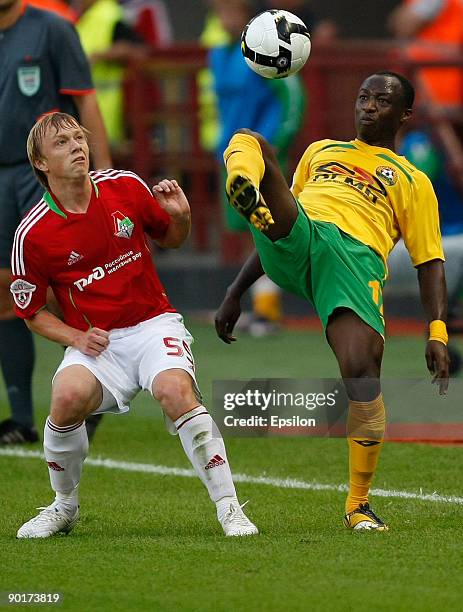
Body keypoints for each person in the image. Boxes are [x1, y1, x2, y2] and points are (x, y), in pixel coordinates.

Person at [215, 72, 450, 530]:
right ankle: (243, 182)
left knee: (362, 374)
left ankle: (358, 505)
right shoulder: (320, 151)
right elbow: (288, 208)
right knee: (250, 140)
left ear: (404, 114)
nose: (367, 106)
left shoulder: (412, 180)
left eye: (381, 101)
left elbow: (430, 262)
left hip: (353, 263)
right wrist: (234, 291)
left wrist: (436, 331)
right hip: (300, 233)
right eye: (363, 97)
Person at [11, 112, 258, 539]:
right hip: (97, 344)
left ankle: (230, 508)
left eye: (78, 137)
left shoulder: (124, 185)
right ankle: (63, 506)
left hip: (152, 324)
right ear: (41, 162)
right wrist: (76, 337)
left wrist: (180, 216)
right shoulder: (32, 234)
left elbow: (172, 237)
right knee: (66, 398)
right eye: (62, 143)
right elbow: (32, 313)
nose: (76, 146)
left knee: (173, 391)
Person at [0, 0, 112, 445]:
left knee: (64, 290)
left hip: (42, 177)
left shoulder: (52, 29)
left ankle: (94, 394)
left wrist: (102, 173)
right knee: (7, 291)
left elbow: (86, 101)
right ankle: (21, 417)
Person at [209, 0, 306, 334]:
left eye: (229, 10)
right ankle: (255, 307)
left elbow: (292, 97)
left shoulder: (263, 53)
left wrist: (277, 142)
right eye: (219, 11)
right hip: (230, 152)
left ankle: (267, 310)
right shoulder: (219, 55)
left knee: (265, 229)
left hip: (261, 155)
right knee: (245, 231)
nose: (223, 16)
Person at [76, 0, 146, 146]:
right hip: (90, 112)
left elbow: (137, 50)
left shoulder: (110, 15)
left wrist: (100, 56)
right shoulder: (86, 17)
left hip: (111, 114)